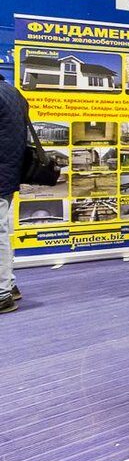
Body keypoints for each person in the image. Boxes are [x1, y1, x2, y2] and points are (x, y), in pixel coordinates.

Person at [0, 73, 26, 313]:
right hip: (9, 173)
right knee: (4, 231)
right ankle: (8, 285)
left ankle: (2, 293)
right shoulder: (13, 92)